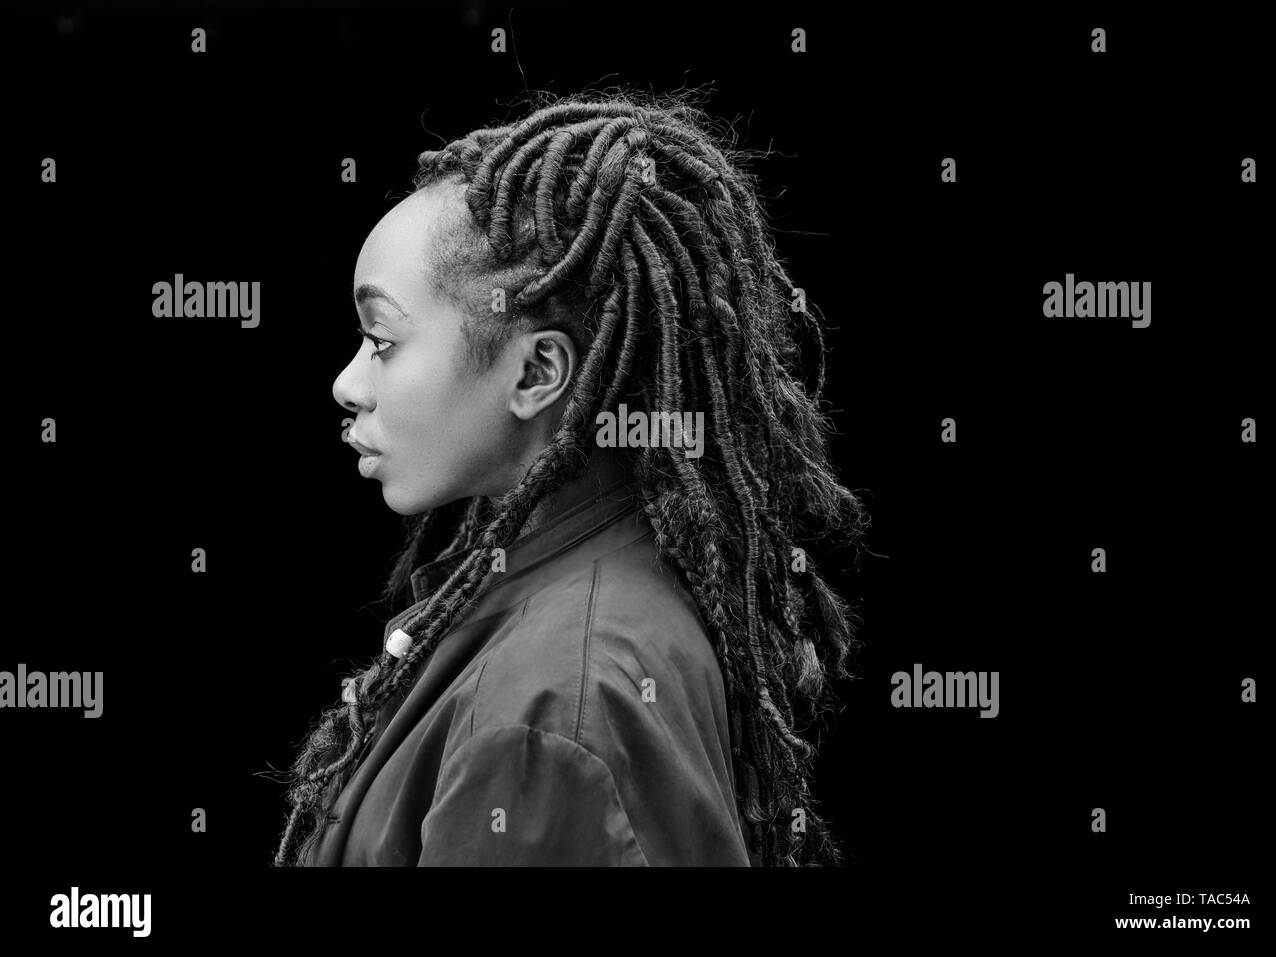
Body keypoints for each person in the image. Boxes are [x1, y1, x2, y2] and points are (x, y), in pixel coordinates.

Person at [273, 91, 866, 867]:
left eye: (381, 340)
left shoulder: (549, 716)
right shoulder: (594, 582)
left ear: (538, 372)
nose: (346, 383)